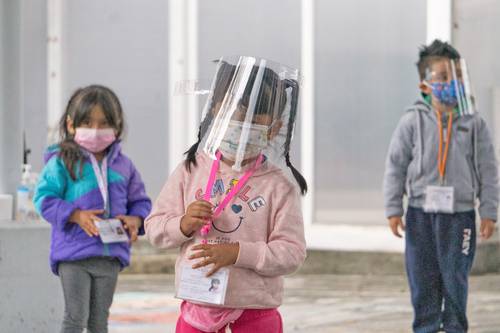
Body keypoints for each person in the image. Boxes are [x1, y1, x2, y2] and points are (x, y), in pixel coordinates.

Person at [145, 56, 307, 333]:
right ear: (215, 115)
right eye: (235, 114)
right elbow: (154, 228)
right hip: (197, 310)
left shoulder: (279, 186)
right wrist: (182, 224)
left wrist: (238, 253)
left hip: (256, 311)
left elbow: (291, 252)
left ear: (275, 129)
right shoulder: (192, 168)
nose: (243, 126)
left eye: (256, 118)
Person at [383, 40, 498, 333]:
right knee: (422, 277)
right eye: (443, 77)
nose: (452, 83)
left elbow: (488, 170)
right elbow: (395, 166)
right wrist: (394, 208)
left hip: (460, 217)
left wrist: (488, 210)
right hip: (420, 215)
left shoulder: (474, 124)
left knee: (454, 277)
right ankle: (426, 326)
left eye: (457, 76)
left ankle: (456, 327)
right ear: (425, 85)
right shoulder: (412, 121)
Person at [34, 85, 152, 333]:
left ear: (117, 126)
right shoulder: (62, 162)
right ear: (70, 125)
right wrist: (75, 215)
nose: (96, 131)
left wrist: (136, 219)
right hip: (73, 255)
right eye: (87, 122)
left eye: (104, 123)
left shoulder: (124, 165)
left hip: (110, 256)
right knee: (75, 318)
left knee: (99, 321)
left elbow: (141, 201)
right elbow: (44, 198)